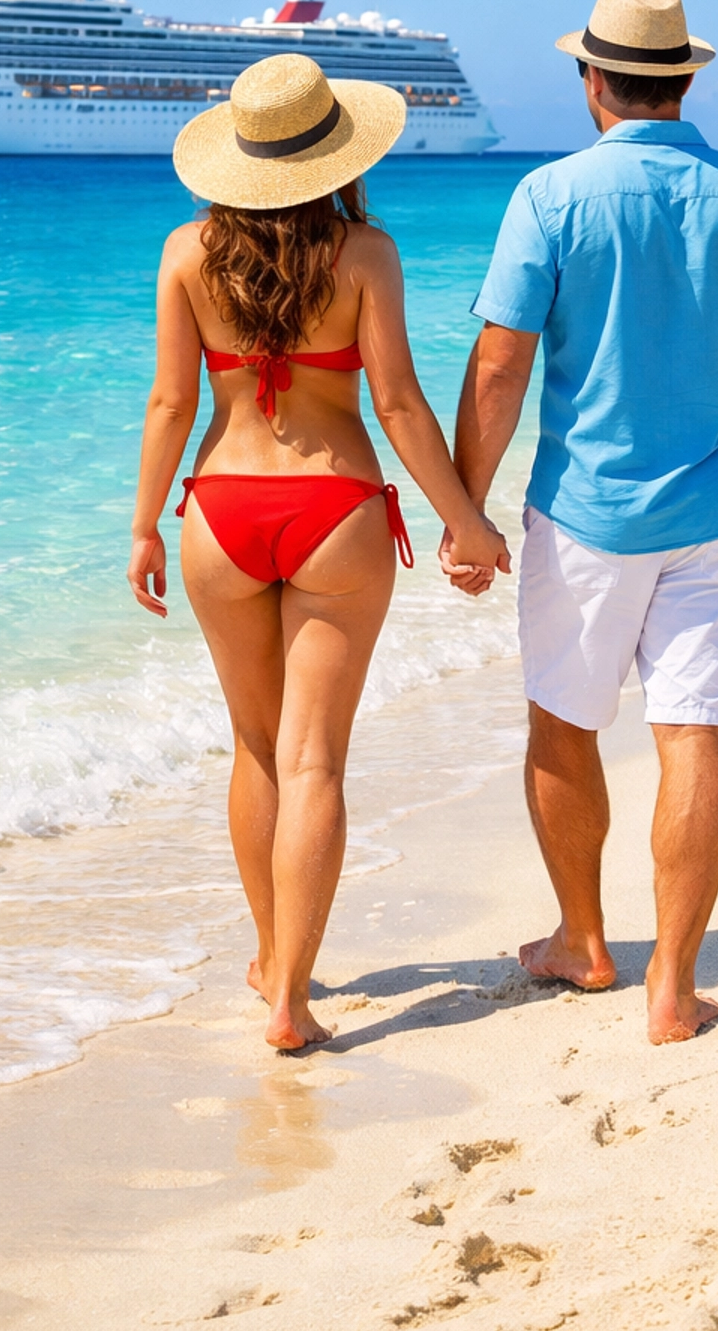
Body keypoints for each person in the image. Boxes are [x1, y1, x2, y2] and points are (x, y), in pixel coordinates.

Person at [447, 0, 718, 1045]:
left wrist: (463, 511)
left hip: (584, 523)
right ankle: (675, 986)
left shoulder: (549, 198)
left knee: (565, 726)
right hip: (715, 514)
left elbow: (500, 366)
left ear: (591, 82)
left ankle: (583, 941)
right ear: (683, 79)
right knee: (694, 735)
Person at [128, 52, 507, 1051]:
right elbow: (395, 403)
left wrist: (141, 526)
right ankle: (293, 995)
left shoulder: (184, 252)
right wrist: (464, 518)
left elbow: (171, 403)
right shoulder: (366, 254)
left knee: (255, 751)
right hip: (336, 509)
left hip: (217, 514)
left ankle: (269, 962)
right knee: (314, 764)